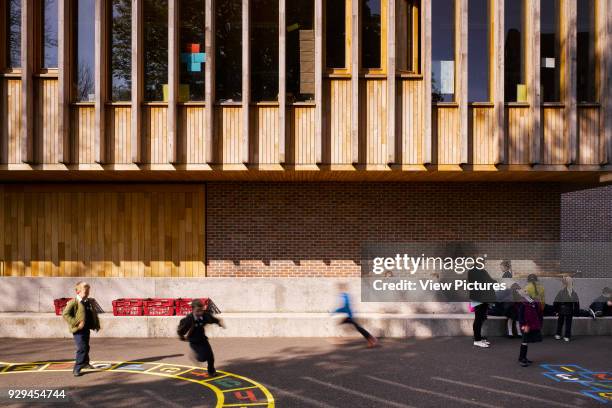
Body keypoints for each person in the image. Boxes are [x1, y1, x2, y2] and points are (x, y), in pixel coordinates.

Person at [62, 281, 101, 377]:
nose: (87, 294)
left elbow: (92, 314)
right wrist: (76, 323)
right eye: (85, 292)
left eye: (88, 292)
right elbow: (65, 314)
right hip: (78, 330)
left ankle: (86, 363)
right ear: (78, 292)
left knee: (86, 346)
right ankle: (77, 367)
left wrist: (95, 324)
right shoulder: (73, 302)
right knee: (82, 348)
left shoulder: (88, 301)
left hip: (86, 328)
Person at [177, 299, 224, 376]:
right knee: (202, 358)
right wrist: (181, 337)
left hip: (203, 338)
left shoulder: (204, 316)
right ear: (192, 310)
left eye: (201, 310)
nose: (200, 313)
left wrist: (218, 322)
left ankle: (211, 371)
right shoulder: (189, 319)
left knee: (210, 356)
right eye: (197, 311)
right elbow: (181, 329)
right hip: (194, 341)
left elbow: (211, 319)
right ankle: (194, 355)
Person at [333, 283, 378, 348]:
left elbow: (345, 307)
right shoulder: (345, 296)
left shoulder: (345, 296)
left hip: (350, 315)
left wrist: (335, 311)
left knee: (358, 328)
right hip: (349, 315)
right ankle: (371, 339)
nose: (339, 289)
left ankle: (371, 338)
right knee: (357, 327)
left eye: (340, 288)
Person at [468, 264, 497, 348]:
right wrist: (492, 282)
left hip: (482, 298)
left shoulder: (481, 271)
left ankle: (479, 338)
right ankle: (477, 340)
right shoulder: (474, 271)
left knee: (481, 318)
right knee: (478, 318)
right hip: (478, 297)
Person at [517, 289, 543, 367]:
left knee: (526, 341)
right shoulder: (522, 304)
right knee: (524, 341)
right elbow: (520, 316)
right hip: (526, 326)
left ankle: (524, 357)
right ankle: (521, 358)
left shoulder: (533, 302)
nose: (526, 292)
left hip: (532, 325)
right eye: (525, 291)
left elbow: (538, 313)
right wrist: (523, 325)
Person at [553, 276, 580, 342]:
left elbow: (556, 301)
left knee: (560, 323)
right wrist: (576, 312)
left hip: (561, 310)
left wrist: (556, 310)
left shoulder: (561, 292)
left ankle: (558, 334)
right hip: (570, 310)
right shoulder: (573, 293)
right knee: (568, 324)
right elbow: (576, 303)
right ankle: (567, 336)